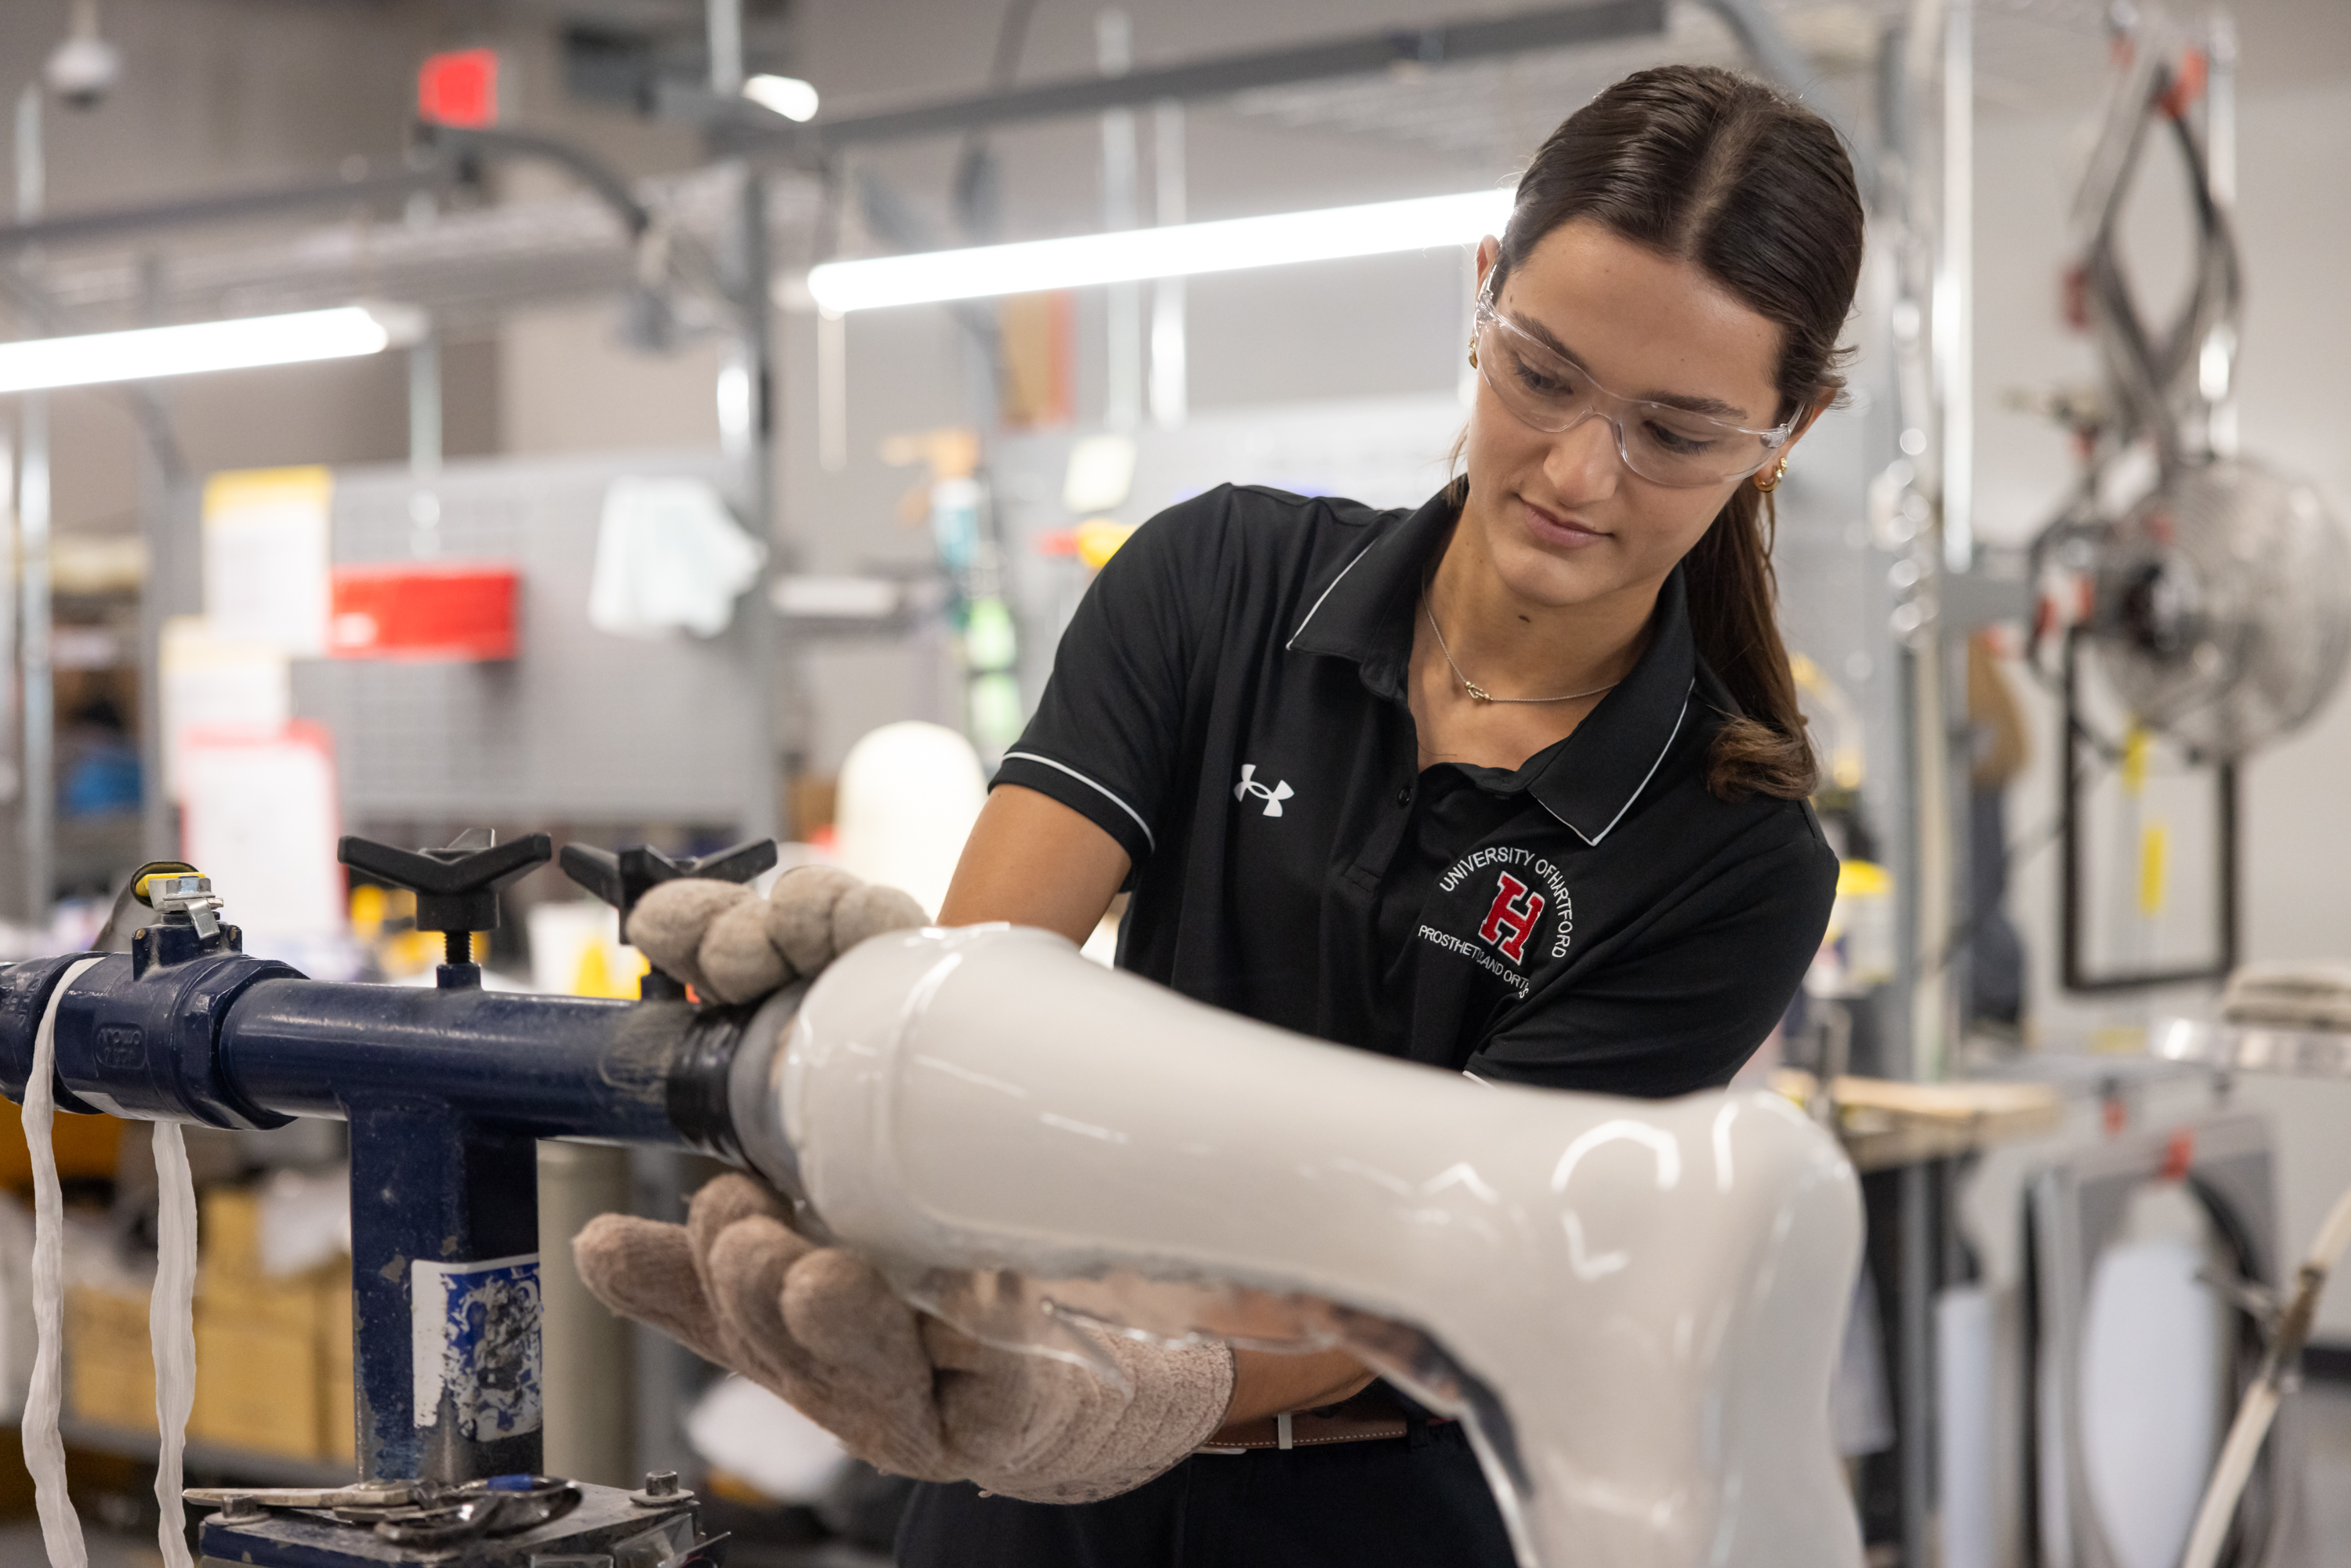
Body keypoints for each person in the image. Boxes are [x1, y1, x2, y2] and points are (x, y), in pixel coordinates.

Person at [578, 61, 1861, 1568]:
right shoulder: (1221, 583)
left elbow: (1454, 1254)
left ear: (1786, 429)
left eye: (1678, 433)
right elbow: (983, 997)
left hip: (1374, 1520)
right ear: (1483, 290)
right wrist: (867, 1025)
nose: (1583, 469)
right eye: (1543, 374)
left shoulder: (1730, 857)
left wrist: (1128, 1388)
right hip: (1024, 1492)